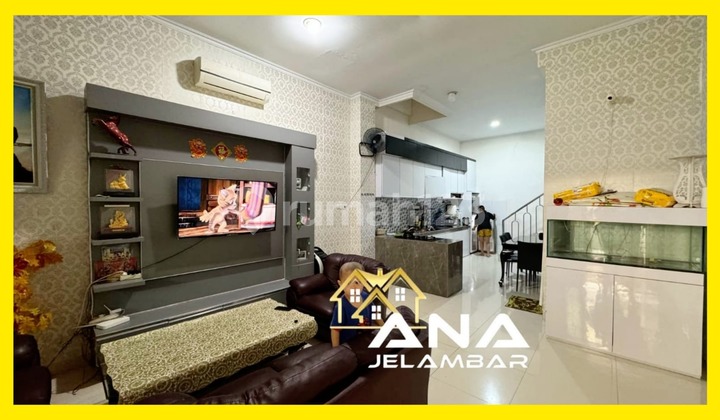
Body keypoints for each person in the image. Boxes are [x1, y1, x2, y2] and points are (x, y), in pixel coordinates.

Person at [330, 261, 384, 347]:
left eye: (358, 282)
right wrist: (336, 349)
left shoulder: (366, 297)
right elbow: (335, 330)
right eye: (348, 283)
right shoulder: (341, 306)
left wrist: (384, 328)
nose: (354, 287)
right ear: (340, 284)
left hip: (366, 339)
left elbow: (375, 314)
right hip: (349, 345)